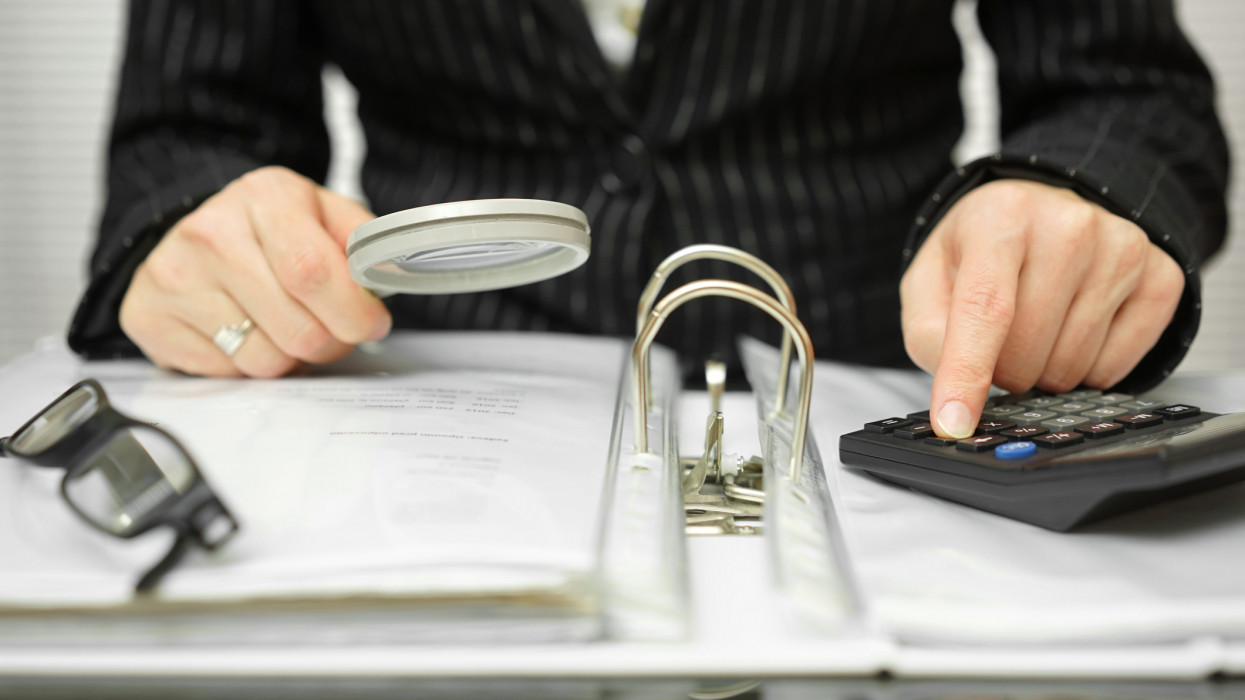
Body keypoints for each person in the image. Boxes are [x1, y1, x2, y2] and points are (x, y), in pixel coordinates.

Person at [70, 0, 1230, 440]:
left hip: (886, 400)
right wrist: (194, 230)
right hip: (438, 426)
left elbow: (1125, 90)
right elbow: (185, 139)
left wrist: (1076, 193)